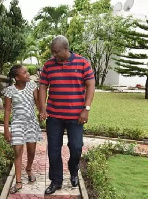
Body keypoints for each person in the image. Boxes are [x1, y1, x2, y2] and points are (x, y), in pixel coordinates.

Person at [39, 35, 95, 195]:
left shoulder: (82, 63)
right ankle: (56, 181)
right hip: (54, 117)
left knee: (76, 147)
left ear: (66, 49)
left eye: (56, 52)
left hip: (76, 116)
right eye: (52, 52)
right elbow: (43, 86)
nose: (53, 55)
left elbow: (90, 85)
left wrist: (87, 108)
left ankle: (73, 170)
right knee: (54, 150)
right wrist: (42, 109)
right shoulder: (48, 65)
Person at [3, 64, 42, 194]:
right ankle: (18, 181)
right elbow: (8, 110)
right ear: (17, 77)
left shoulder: (32, 86)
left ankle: (29, 168)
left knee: (31, 151)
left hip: (31, 123)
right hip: (17, 123)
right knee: (18, 151)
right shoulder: (10, 90)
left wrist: (42, 111)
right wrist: (6, 129)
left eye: (27, 72)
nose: (27, 75)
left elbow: (37, 101)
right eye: (24, 73)